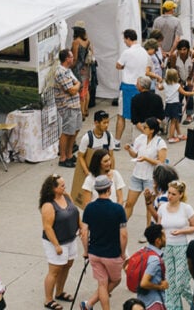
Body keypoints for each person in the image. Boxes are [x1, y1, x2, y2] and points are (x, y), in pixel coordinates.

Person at [81, 175, 128, 310]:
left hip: (94, 253)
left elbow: (84, 232)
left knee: (102, 283)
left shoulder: (89, 208)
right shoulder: (118, 209)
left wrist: (86, 251)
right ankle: (89, 304)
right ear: (109, 189)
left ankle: (89, 304)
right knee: (116, 280)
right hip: (112, 254)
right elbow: (123, 235)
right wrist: (123, 252)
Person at [40, 175, 81, 310]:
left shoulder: (66, 196)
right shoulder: (48, 206)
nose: (65, 187)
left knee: (67, 265)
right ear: (54, 188)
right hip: (57, 242)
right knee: (55, 270)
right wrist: (56, 245)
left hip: (70, 239)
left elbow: (75, 212)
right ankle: (48, 299)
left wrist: (80, 225)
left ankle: (59, 292)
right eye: (62, 185)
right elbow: (47, 227)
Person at [156, 180, 194, 310]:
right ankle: (174, 307)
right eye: (169, 193)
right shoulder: (162, 208)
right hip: (167, 248)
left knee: (181, 282)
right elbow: (159, 227)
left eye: (173, 194)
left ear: (180, 195)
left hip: (182, 247)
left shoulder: (186, 208)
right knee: (170, 282)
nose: (170, 196)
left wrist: (181, 231)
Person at [124, 118, 168, 224]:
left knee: (150, 206)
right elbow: (135, 154)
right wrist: (129, 149)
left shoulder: (160, 143)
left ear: (152, 130)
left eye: (145, 127)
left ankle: (149, 229)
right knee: (129, 203)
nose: (143, 128)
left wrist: (146, 159)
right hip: (137, 175)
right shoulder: (140, 138)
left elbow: (161, 162)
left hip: (150, 179)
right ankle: (121, 227)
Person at [116, 29, 149, 148]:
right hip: (140, 85)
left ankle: (117, 141)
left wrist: (125, 66)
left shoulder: (127, 53)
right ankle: (140, 139)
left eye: (125, 39)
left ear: (128, 38)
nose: (124, 42)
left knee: (121, 115)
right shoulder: (144, 51)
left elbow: (118, 65)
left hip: (128, 86)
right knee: (139, 115)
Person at [55, 49, 83, 168]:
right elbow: (72, 90)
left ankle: (69, 154)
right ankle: (63, 158)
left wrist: (77, 85)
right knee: (67, 132)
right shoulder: (61, 72)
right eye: (71, 57)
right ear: (66, 59)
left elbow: (77, 83)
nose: (73, 58)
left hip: (75, 105)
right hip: (67, 106)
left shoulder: (68, 70)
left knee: (75, 129)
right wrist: (77, 85)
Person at [135, 223, 168, 310]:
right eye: (164, 236)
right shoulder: (155, 260)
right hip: (153, 302)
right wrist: (160, 286)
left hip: (142, 299)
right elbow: (144, 283)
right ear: (158, 241)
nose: (166, 239)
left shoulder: (144, 251)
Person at [77, 110, 115, 176]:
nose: (107, 125)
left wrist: (111, 171)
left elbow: (111, 155)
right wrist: (87, 173)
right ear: (96, 123)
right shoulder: (87, 138)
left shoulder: (109, 136)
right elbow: (80, 156)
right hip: (92, 171)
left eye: (108, 122)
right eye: (104, 123)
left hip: (104, 171)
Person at [72, 22, 96, 115]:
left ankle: (81, 113)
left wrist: (70, 67)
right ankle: (86, 110)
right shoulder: (88, 41)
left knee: (80, 90)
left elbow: (75, 58)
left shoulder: (76, 42)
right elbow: (92, 53)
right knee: (86, 89)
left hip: (78, 68)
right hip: (87, 67)